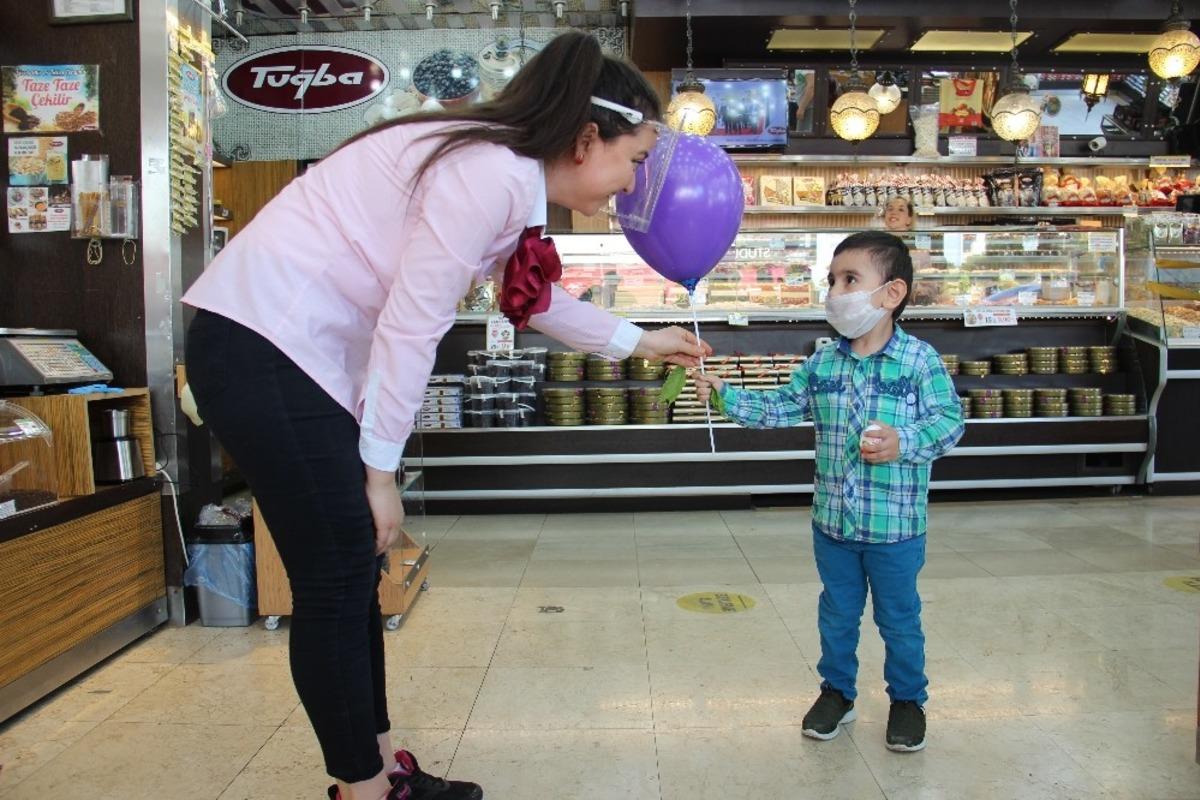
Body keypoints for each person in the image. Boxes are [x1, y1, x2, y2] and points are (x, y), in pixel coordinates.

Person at [182, 32, 709, 800]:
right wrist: (381, 471)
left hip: (293, 351)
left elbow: (529, 297)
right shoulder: (488, 172)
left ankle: (381, 766)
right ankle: (362, 790)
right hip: (264, 343)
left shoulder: (501, 169)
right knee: (334, 577)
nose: (632, 187)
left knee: (351, 572)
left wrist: (639, 340)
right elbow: (411, 323)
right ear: (586, 137)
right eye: (634, 161)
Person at [695, 231, 963, 753]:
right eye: (832, 281)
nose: (836, 292)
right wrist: (725, 393)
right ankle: (837, 692)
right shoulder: (824, 364)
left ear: (891, 293)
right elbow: (778, 408)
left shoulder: (919, 361)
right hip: (833, 524)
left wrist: (904, 441)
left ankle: (908, 700)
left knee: (899, 619)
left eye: (850, 280)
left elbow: (950, 424)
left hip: (895, 528)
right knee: (836, 614)